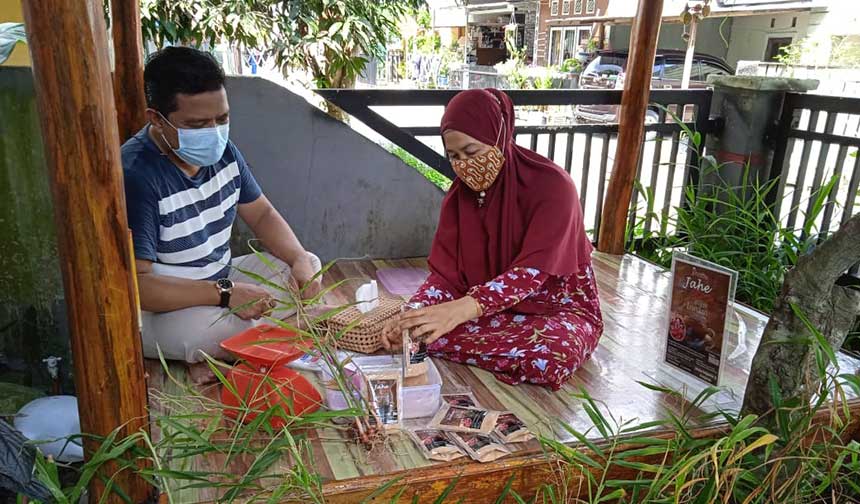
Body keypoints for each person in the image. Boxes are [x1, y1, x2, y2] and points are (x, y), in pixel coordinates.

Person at [383, 89, 603, 390]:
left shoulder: (554, 187)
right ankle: (433, 336)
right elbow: (446, 278)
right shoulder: (460, 198)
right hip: (489, 313)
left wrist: (457, 311)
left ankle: (438, 340)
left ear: (498, 135)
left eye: (472, 152)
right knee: (419, 328)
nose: (464, 165)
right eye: (454, 156)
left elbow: (530, 275)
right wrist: (415, 314)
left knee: (553, 353)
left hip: (556, 312)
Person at [122, 46, 321, 367]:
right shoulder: (137, 175)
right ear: (157, 119)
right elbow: (140, 286)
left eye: (222, 118)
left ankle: (240, 346)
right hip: (165, 311)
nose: (214, 132)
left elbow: (262, 214)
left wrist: (297, 259)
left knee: (306, 264)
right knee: (209, 332)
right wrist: (226, 294)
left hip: (222, 278)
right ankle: (256, 337)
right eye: (197, 124)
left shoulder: (224, 151)